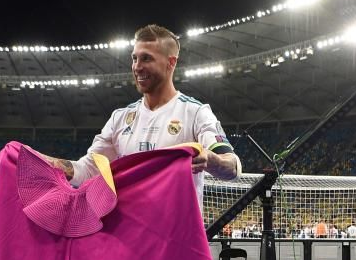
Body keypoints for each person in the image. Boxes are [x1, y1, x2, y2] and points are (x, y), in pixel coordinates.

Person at [39, 24, 241, 201]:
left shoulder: (195, 113)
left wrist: (211, 159)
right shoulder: (120, 118)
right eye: (134, 58)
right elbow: (89, 169)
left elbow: (233, 168)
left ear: (171, 63)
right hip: (132, 240)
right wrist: (46, 163)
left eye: (146, 59)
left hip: (175, 240)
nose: (137, 67)